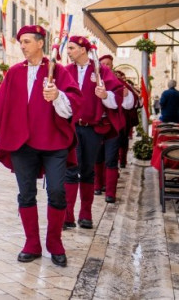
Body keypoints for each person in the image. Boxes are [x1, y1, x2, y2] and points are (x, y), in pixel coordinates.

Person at [0, 25, 82, 268]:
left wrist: (57, 96)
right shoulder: (14, 72)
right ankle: (32, 243)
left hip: (53, 141)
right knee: (26, 193)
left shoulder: (57, 71)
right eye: (21, 42)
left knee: (57, 191)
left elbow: (74, 103)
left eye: (27, 41)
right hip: (22, 143)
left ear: (39, 43)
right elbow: (0, 104)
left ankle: (55, 243)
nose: (23, 46)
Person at [63, 37, 124, 228]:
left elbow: (117, 96)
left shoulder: (101, 70)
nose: (68, 51)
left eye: (71, 48)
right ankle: (67, 215)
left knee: (87, 171)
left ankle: (86, 214)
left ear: (83, 50)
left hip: (92, 129)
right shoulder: (66, 71)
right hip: (71, 128)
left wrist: (105, 95)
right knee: (70, 170)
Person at [97, 54, 136, 197]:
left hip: (113, 126)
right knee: (97, 157)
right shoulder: (92, 80)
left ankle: (110, 192)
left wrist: (126, 95)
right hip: (96, 126)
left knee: (111, 158)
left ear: (112, 66)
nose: (105, 66)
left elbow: (130, 104)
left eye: (108, 64)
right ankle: (97, 185)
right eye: (103, 64)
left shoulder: (119, 82)